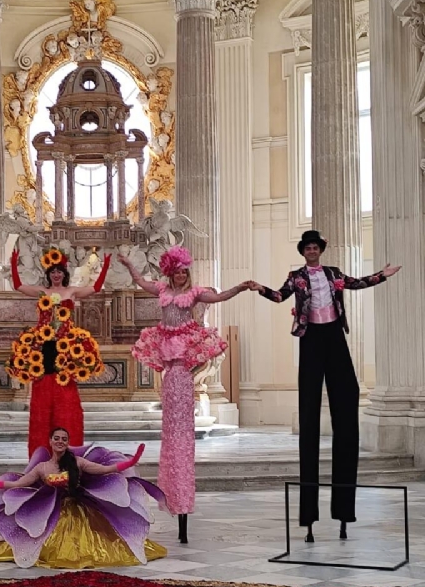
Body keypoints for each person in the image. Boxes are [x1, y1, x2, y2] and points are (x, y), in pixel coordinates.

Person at [249, 229, 400, 542]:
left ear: (320, 250)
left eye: (316, 247)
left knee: (348, 398)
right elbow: (279, 296)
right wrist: (259, 288)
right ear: (304, 252)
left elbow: (357, 283)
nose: (313, 251)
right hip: (311, 339)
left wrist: (382, 275)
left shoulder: (333, 273)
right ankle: (309, 518)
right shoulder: (296, 276)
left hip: (334, 335)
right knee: (309, 413)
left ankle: (344, 512)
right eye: (309, 248)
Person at [120, 246, 252, 544]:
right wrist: (129, 264)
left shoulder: (195, 294)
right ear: (170, 271)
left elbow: (218, 298)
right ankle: (172, 477)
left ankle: (180, 482)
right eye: (176, 271)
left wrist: (241, 287)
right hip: (169, 369)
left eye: (184, 271)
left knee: (180, 417)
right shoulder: (162, 289)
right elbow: (142, 282)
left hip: (181, 367)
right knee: (172, 419)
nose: (180, 275)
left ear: (187, 273)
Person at [0, 426, 166, 568]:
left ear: (67, 442)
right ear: (51, 442)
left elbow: (106, 469)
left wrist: (132, 461)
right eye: (56, 438)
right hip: (52, 513)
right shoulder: (42, 467)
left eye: (64, 439)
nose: (60, 442)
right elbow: (18, 484)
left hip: (81, 512)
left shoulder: (77, 461)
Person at [9, 246, 111, 456]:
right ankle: (41, 453)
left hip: (66, 346)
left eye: (59, 272)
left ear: (64, 274)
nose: (56, 275)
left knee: (65, 394)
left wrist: (106, 265)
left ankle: (68, 450)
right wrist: (13, 262)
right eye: (53, 272)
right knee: (43, 390)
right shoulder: (42, 292)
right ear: (49, 274)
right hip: (45, 346)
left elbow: (96, 288)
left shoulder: (71, 291)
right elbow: (18, 285)